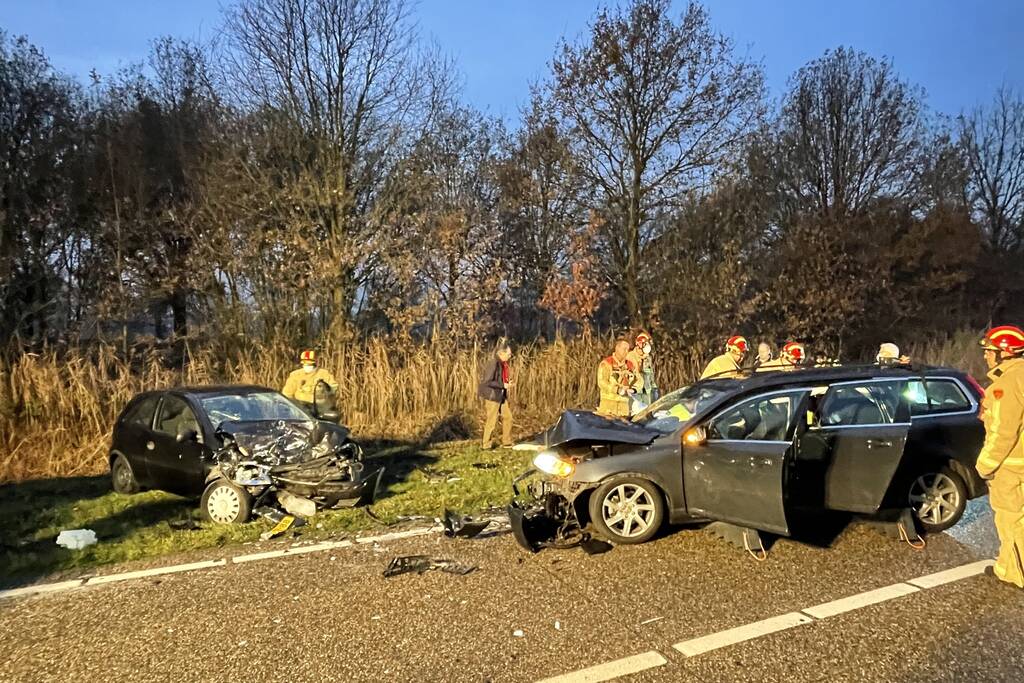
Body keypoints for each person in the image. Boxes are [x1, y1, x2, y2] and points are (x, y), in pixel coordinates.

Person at [976, 325, 1024, 590]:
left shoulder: (1006, 385)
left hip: (1011, 466)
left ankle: (1019, 575)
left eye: (989, 351)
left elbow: (1002, 432)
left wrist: (985, 465)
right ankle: (1006, 569)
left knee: (1011, 520)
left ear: (1004, 353)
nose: (986, 356)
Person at [478, 339, 514, 449]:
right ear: (501, 353)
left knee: (508, 417)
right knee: (492, 420)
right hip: (492, 396)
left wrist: (506, 384)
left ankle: (506, 441)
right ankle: (486, 444)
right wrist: (503, 385)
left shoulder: (502, 364)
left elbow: (499, 379)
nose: (510, 356)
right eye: (508, 354)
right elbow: (487, 381)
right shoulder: (493, 363)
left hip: (501, 394)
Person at [598, 338, 642, 418]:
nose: (626, 352)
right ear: (617, 348)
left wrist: (634, 389)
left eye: (627, 350)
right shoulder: (606, 364)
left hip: (624, 406)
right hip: (608, 405)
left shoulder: (630, 365)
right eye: (624, 349)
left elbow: (640, 380)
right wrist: (616, 390)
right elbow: (602, 382)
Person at [626, 332, 659, 412]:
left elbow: (650, 375)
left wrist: (654, 390)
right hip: (635, 393)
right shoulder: (630, 357)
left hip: (647, 392)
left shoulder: (648, 358)